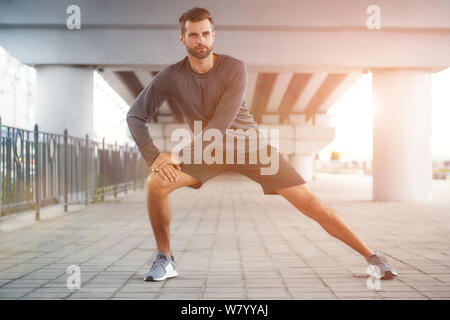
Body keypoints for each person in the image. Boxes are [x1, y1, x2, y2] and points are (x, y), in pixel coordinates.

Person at [126, 7, 397, 282]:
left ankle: (373, 256)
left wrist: (177, 155)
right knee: (155, 183)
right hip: (207, 153)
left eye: (206, 34)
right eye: (194, 35)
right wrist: (155, 158)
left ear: (214, 36)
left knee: (310, 204)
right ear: (182, 39)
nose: (201, 41)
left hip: (251, 148)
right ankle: (165, 259)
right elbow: (135, 116)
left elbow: (219, 125)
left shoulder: (233, 68)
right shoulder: (171, 76)